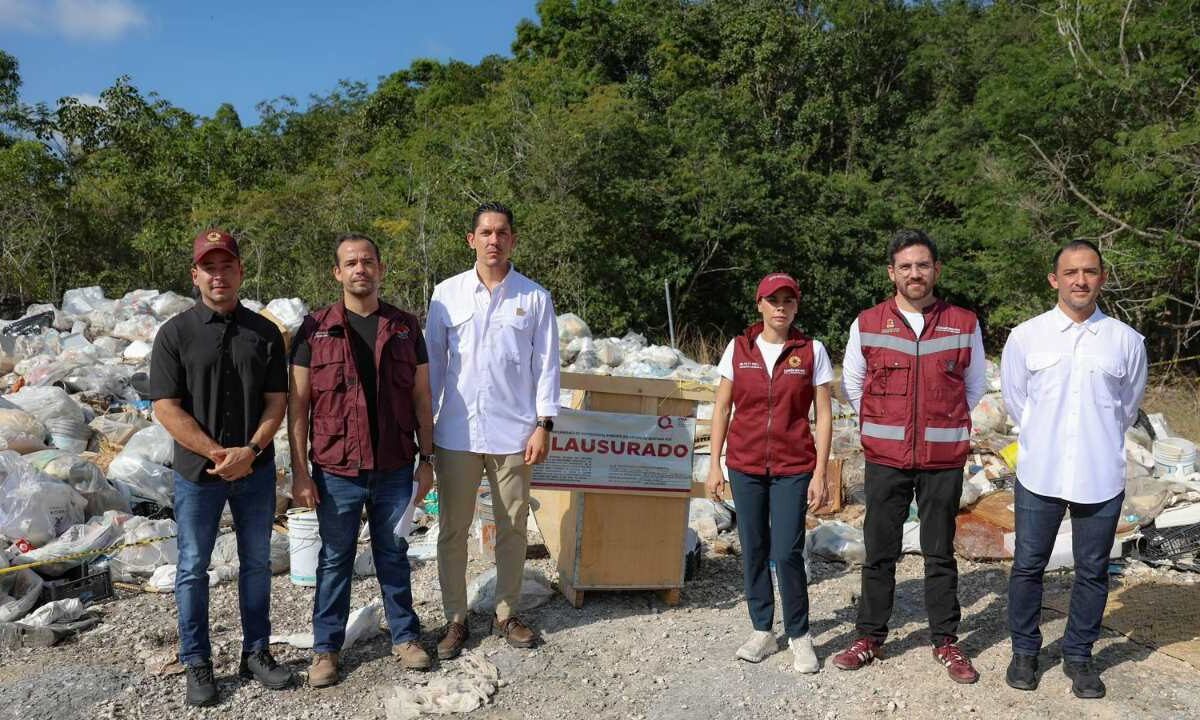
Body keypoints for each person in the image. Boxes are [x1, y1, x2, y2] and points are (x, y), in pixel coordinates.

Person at [150, 229, 294, 706]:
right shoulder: (174, 334)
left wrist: (250, 451)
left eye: (226, 266)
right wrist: (218, 454)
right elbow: (166, 408)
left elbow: (278, 402)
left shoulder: (265, 332)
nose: (218, 275)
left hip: (255, 470)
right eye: (209, 267)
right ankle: (198, 661)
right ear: (195, 275)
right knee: (192, 568)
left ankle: (256, 653)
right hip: (198, 476)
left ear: (239, 272)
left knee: (256, 563)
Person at [836, 229, 986, 683]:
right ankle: (869, 637)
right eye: (906, 266)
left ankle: (945, 641)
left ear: (936, 270)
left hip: (942, 458)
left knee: (939, 552)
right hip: (885, 458)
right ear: (892, 273)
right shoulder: (867, 323)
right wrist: (885, 428)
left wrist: (940, 428)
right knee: (879, 551)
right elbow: (853, 385)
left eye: (923, 265)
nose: (915, 273)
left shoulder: (964, 322)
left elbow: (974, 387)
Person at [1001, 240, 1147, 699]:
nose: (1080, 281)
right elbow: (1016, 402)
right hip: (1040, 473)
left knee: (1092, 570)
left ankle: (1079, 656)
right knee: (1028, 566)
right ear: (1054, 280)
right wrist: (1046, 437)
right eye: (1070, 273)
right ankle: (1025, 651)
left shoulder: (1126, 341)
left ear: (1102, 278)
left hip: (1100, 474)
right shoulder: (1026, 336)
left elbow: (1127, 407)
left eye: (1089, 272)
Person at [288, 233, 436, 686]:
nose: (360, 269)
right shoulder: (314, 330)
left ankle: (406, 637)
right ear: (337, 272)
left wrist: (426, 460)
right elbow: (298, 407)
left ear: (381, 269)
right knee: (334, 559)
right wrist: (299, 472)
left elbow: (421, 397)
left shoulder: (406, 327)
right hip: (336, 471)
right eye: (350, 262)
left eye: (368, 261)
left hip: (394, 465)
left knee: (393, 551)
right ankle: (326, 649)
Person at [425, 202, 560, 659]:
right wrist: (425, 427)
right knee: (453, 530)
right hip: (456, 434)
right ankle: (455, 618)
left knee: (513, 528)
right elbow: (434, 366)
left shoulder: (534, 298)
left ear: (513, 240)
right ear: (471, 239)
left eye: (502, 232)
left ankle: (506, 613)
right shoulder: (446, 295)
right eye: (485, 232)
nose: (493, 240)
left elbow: (546, 367)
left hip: (514, 434)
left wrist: (543, 424)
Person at [705, 272, 832, 672]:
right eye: (773, 299)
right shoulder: (738, 348)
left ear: (796, 306)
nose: (781, 307)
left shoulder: (811, 350)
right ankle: (762, 629)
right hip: (744, 465)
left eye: (788, 300)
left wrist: (821, 473)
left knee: (787, 551)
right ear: (759, 304)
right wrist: (714, 464)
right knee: (754, 547)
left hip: (793, 466)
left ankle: (799, 635)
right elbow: (722, 407)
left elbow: (825, 416)